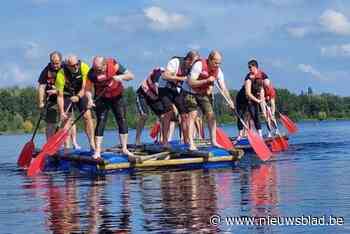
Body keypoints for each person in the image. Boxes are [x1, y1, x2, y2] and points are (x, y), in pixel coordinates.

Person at [85, 56, 134, 159]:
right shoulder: (91, 74)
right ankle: (97, 151)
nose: (96, 71)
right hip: (102, 98)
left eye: (98, 69)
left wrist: (120, 77)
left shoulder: (114, 65)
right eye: (94, 68)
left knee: (122, 119)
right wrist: (89, 99)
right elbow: (88, 89)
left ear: (104, 65)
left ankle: (124, 148)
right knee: (101, 121)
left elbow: (130, 76)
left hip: (117, 96)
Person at [187, 50, 235, 151]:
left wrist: (229, 100)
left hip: (202, 93)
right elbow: (190, 82)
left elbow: (223, 87)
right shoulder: (199, 65)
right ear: (209, 60)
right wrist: (206, 80)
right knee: (193, 115)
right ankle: (191, 143)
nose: (217, 65)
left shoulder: (218, 71)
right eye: (216, 63)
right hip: (190, 91)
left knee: (211, 115)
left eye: (219, 63)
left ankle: (214, 141)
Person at [37, 51, 80, 148]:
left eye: (57, 63)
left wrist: (57, 91)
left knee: (69, 121)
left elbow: (71, 85)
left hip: (66, 97)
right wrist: (41, 102)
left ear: (61, 61)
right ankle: (49, 145)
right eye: (53, 63)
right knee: (50, 123)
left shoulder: (67, 68)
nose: (55, 65)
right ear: (50, 61)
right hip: (51, 100)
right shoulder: (46, 70)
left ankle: (69, 145)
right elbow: (41, 87)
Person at [158, 50, 200, 146]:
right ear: (188, 60)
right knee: (168, 113)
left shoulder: (192, 68)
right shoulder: (175, 62)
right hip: (164, 88)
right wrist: (181, 79)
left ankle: (186, 140)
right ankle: (164, 141)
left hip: (176, 90)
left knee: (184, 114)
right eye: (194, 63)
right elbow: (165, 75)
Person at [55, 55, 95, 150]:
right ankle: (67, 146)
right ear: (68, 65)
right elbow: (59, 96)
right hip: (67, 93)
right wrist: (61, 112)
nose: (75, 67)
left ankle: (92, 143)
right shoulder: (61, 73)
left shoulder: (84, 67)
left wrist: (78, 96)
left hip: (82, 92)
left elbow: (85, 87)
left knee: (87, 116)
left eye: (77, 64)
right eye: (72, 66)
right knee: (66, 119)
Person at [135, 67, 173, 145]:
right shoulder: (158, 73)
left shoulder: (172, 81)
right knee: (144, 115)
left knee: (163, 116)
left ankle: (163, 139)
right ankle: (137, 140)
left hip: (154, 98)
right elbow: (157, 86)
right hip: (143, 94)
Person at [235, 59, 265, 140]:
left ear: (255, 67)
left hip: (252, 99)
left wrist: (262, 101)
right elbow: (248, 93)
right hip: (241, 99)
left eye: (250, 67)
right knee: (241, 116)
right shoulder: (248, 78)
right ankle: (240, 136)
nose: (249, 69)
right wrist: (257, 100)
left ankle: (260, 136)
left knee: (256, 115)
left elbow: (261, 89)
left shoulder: (261, 76)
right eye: (248, 67)